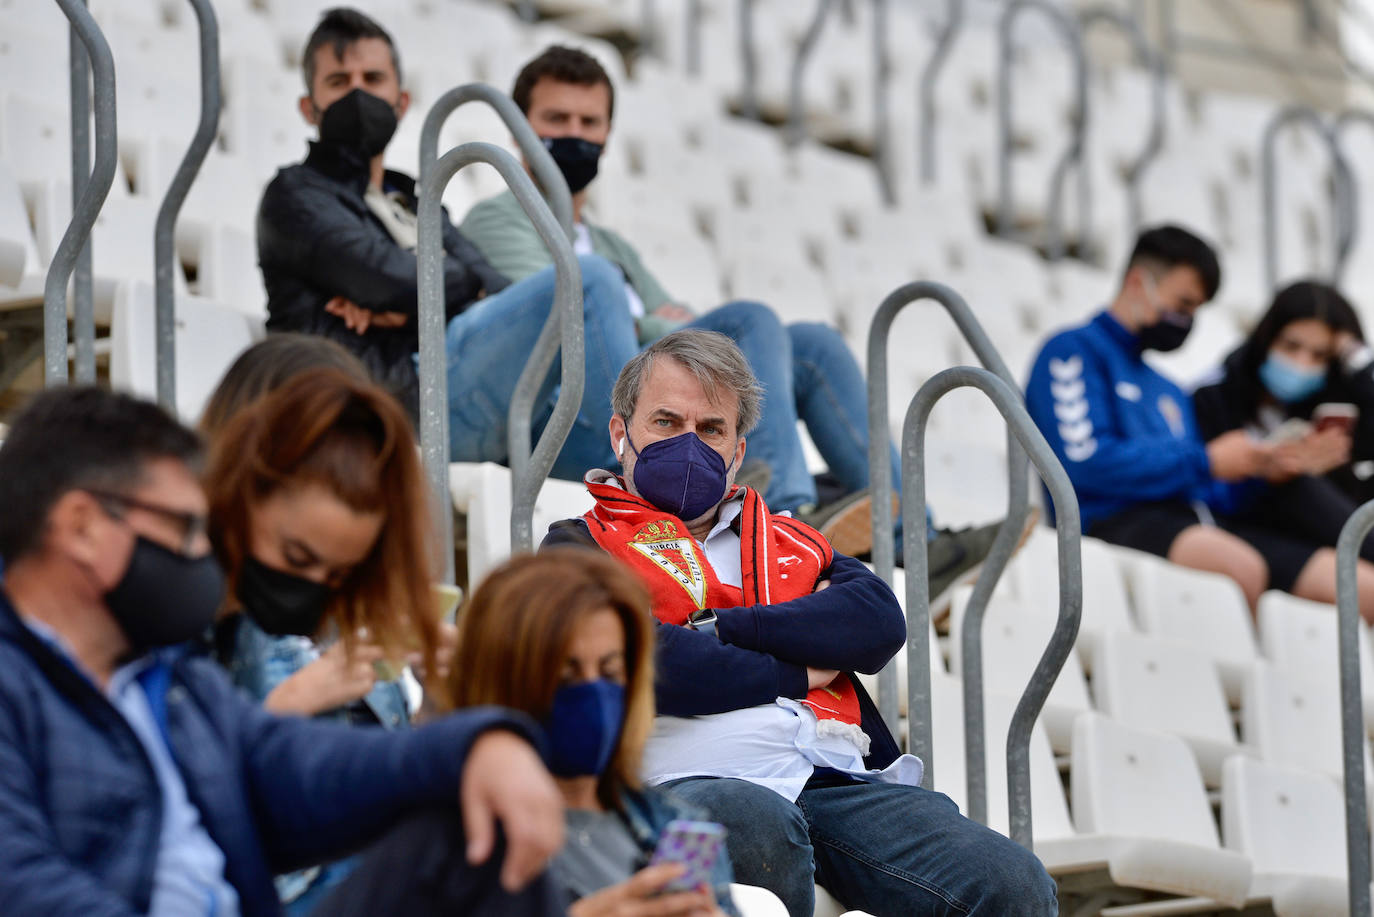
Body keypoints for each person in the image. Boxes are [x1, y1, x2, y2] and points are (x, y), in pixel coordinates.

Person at [544, 329, 1058, 917]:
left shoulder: (792, 539)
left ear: (738, 453)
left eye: (711, 429)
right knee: (760, 829)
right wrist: (798, 668)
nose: (689, 445)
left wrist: (719, 630)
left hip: (833, 779)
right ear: (619, 434)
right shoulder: (577, 545)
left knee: (1011, 881)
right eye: (666, 422)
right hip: (673, 789)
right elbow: (653, 665)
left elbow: (876, 623)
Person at [462, 44, 1013, 591]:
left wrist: (654, 327)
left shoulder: (611, 244)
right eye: (557, 119)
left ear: (608, 131)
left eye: (590, 121)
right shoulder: (498, 220)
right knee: (743, 322)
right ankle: (785, 518)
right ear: (520, 132)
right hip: (592, 429)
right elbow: (582, 320)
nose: (575, 134)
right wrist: (655, 322)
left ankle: (918, 539)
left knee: (813, 346)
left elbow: (676, 336)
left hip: (663, 417)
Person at [0, 384, 566, 916]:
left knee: (474, 839)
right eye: (185, 527)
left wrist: (475, 745)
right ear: (81, 527)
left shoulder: (172, 683)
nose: (203, 551)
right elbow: (25, 889)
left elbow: (294, 764)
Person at [256, 8, 639, 481]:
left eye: (372, 78)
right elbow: (391, 280)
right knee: (590, 278)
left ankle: (689, 500)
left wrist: (406, 299)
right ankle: (646, 474)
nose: (357, 93)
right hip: (393, 402)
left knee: (734, 327)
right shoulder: (296, 195)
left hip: (474, 395)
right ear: (308, 108)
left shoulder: (418, 201)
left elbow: (487, 286)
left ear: (400, 101)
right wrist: (422, 285)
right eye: (338, 81)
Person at [203, 363, 458, 912]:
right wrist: (291, 705)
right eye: (296, 557)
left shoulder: (345, 627)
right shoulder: (167, 617)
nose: (310, 590)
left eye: (338, 575)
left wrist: (444, 699)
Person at [1025, 226, 1374, 618]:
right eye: (1183, 304)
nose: (1187, 320)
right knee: (1238, 567)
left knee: (1358, 585)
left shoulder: (1168, 390)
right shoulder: (1072, 351)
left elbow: (1209, 492)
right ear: (1138, 282)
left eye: (1195, 310)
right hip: (1110, 518)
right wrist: (1207, 460)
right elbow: (1084, 461)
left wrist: (1266, 470)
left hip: (1199, 521)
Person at [449, 548, 741, 916]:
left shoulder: (676, 826)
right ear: (498, 681)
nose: (592, 694)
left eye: (609, 673)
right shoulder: (452, 839)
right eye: (564, 675)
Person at [1194, 279, 1374, 509]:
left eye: (1320, 355)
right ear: (1266, 338)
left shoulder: (1330, 408)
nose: (1302, 363)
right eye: (1291, 346)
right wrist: (1279, 472)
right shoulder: (1214, 397)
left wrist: (1359, 361)